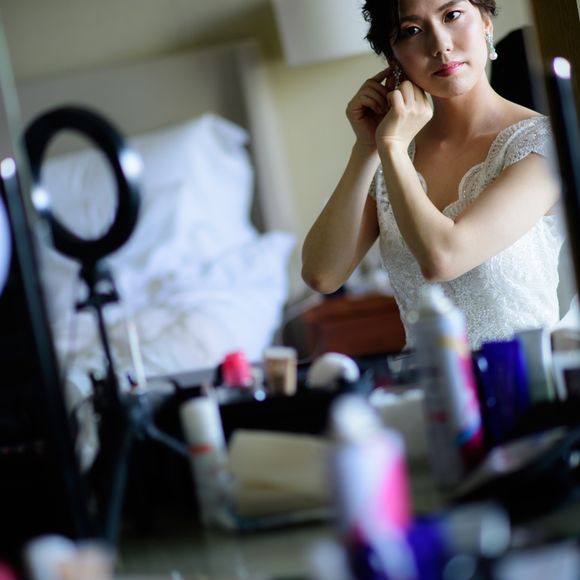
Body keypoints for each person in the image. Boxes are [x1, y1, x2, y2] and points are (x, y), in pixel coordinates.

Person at [301, 0, 565, 350]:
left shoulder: (543, 144)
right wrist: (367, 147)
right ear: (393, 57)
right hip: (426, 379)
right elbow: (322, 275)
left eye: (452, 15)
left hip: (521, 378)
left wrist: (392, 146)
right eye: (412, 30)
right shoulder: (393, 153)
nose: (440, 44)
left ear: (485, 22)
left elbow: (443, 258)